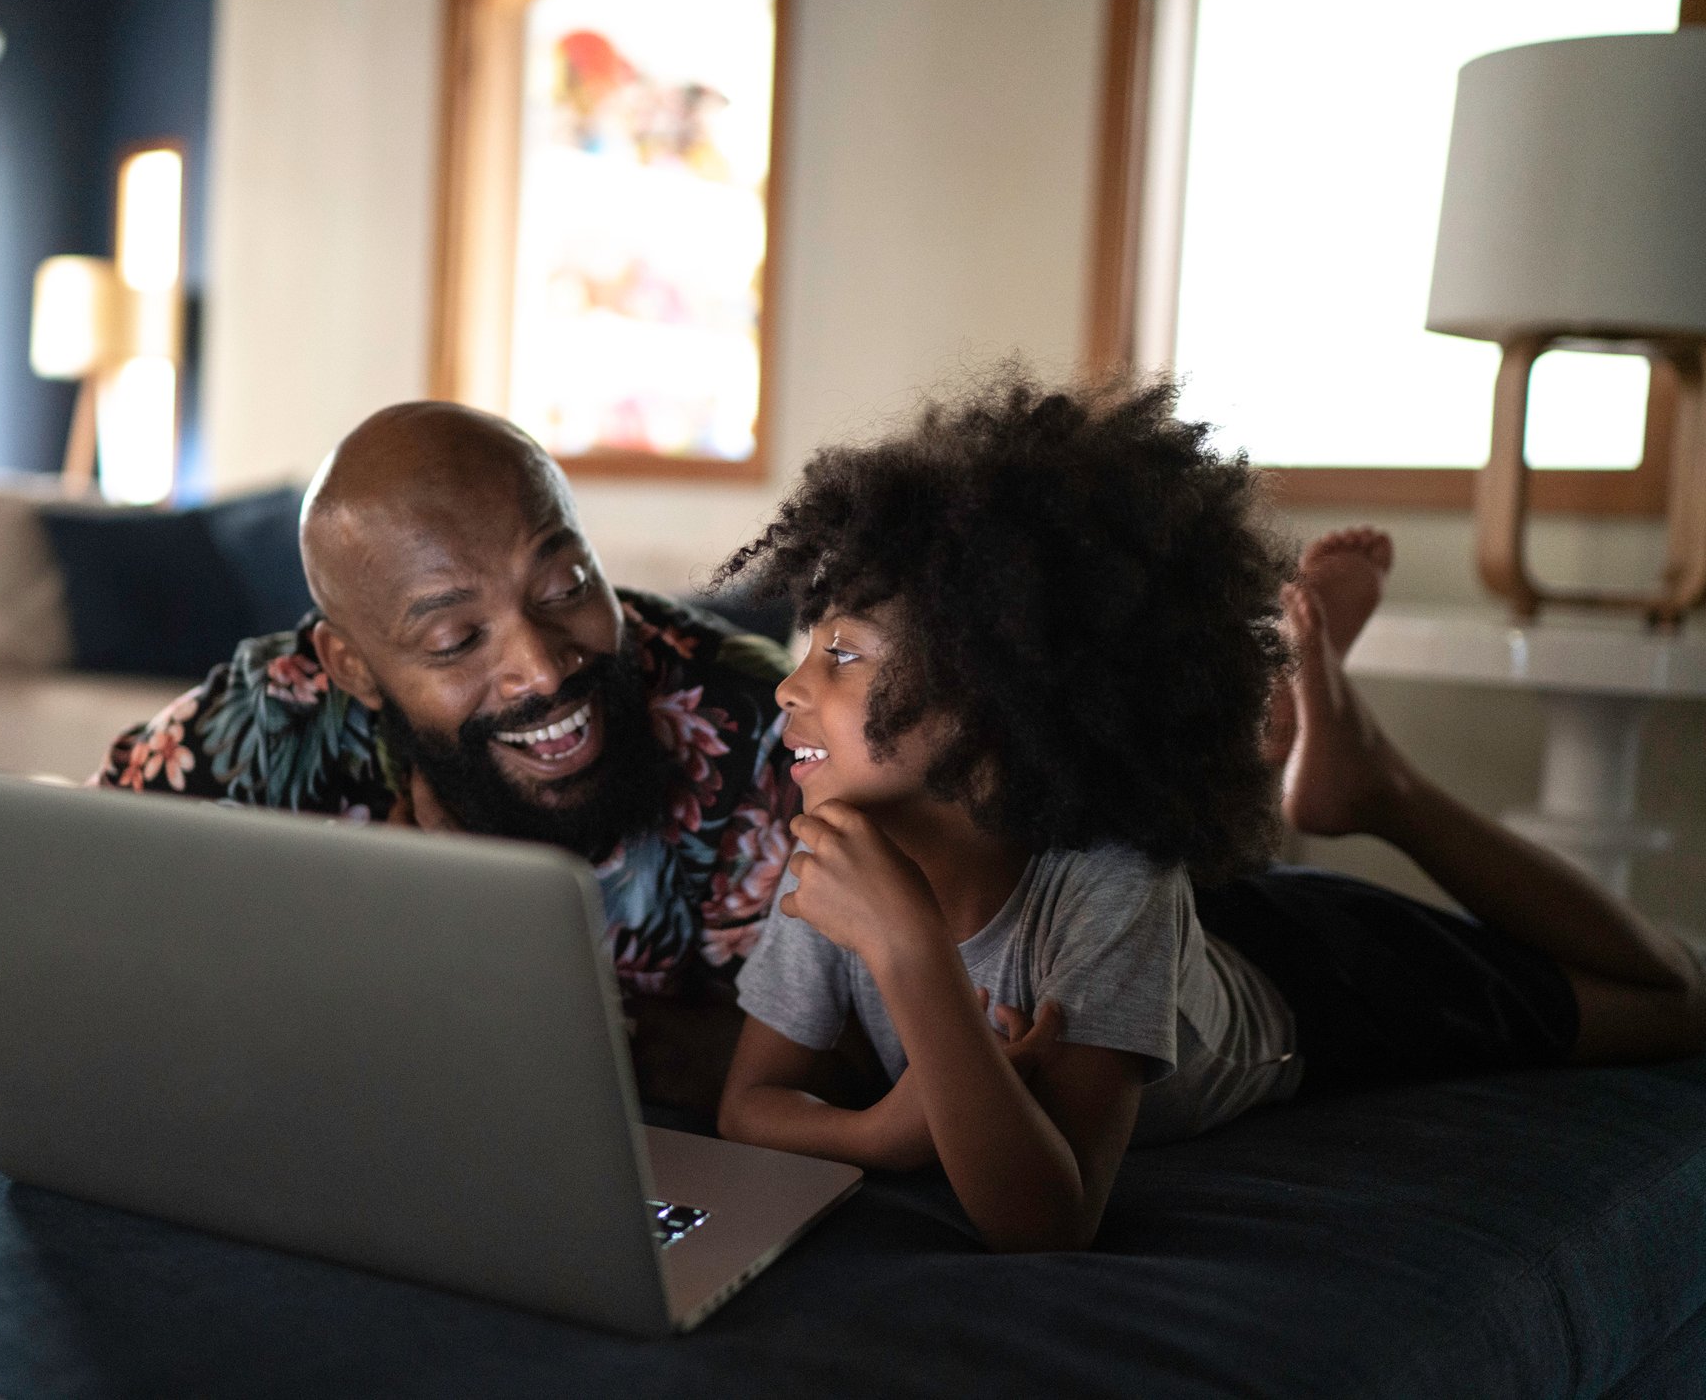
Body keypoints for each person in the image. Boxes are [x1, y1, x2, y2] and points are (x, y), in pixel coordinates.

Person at [713, 372, 1706, 1254]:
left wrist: (910, 957)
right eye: (807, 651)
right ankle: (1291, 737)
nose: (789, 690)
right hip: (1177, 942)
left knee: (1672, 1000)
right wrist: (879, 1129)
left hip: (1314, 981)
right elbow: (746, 1104)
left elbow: (1047, 1216)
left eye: (839, 656)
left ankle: (1374, 786)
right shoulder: (837, 866)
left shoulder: (1108, 885)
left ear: (993, 694)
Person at [0, 401, 805, 1120]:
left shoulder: (753, 718)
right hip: (315, 1126)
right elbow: (61, 900)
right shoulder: (276, 712)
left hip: (638, 1164)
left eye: (563, 584)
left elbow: (865, 1061)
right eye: (457, 639)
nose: (542, 665)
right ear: (352, 665)